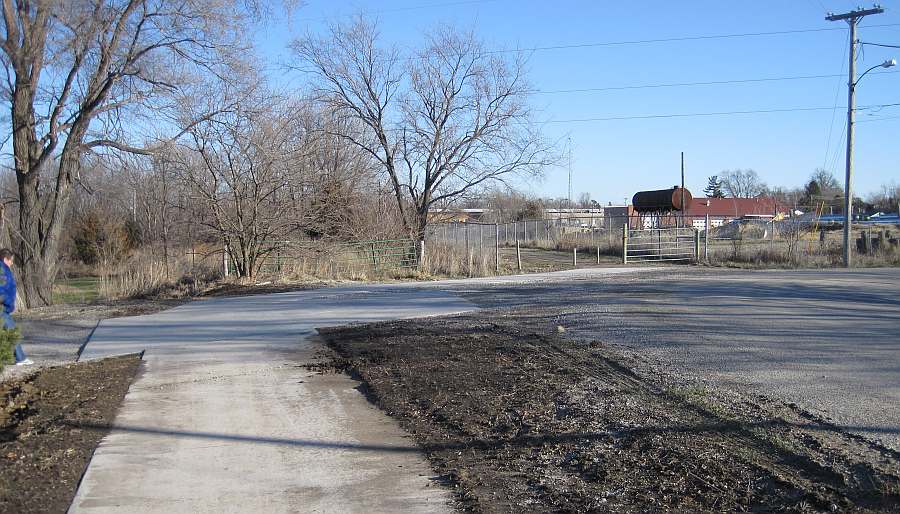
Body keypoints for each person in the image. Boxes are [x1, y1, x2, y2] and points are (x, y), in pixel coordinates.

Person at [0, 248, 30, 365]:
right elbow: (1, 290)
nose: (12, 263)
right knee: (12, 331)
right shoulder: (2, 270)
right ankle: (20, 358)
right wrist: (6, 303)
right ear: (5, 259)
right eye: (11, 260)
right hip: (2, 307)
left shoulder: (4, 269)